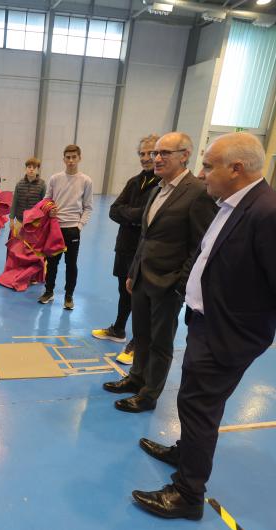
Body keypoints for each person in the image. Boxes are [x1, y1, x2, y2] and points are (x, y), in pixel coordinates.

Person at [132, 132, 276, 520]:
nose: (201, 174)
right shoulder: (231, 205)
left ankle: (188, 494)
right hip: (205, 322)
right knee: (192, 399)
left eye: (208, 166)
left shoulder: (272, 213)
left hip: (228, 333)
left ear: (236, 168)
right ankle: (184, 453)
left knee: (200, 407)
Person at [102, 132, 217, 413]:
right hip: (143, 277)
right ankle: (136, 378)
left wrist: (180, 283)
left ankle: (149, 394)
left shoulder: (197, 193)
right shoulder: (158, 189)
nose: (156, 158)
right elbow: (146, 237)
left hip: (168, 283)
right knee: (141, 335)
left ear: (184, 155)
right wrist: (133, 272)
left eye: (164, 153)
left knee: (160, 342)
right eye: (155, 153)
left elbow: (201, 245)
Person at [92, 136, 160, 365]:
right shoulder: (134, 182)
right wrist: (137, 216)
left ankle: (139, 342)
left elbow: (151, 216)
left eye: (151, 153)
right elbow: (114, 210)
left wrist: (130, 214)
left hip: (145, 251)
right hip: (125, 246)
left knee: (142, 297)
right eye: (142, 153)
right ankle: (119, 329)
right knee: (124, 290)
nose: (145, 158)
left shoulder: (162, 185)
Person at [37, 144, 93, 310]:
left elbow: (88, 207)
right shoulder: (55, 178)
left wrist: (79, 226)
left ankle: (69, 296)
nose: (71, 160)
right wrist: (49, 210)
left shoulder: (86, 180)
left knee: (71, 264)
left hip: (73, 230)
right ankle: (49, 291)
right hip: (55, 228)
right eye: (68, 157)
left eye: (74, 157)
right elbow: (46, 200)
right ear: (63, 159)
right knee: (52, 263)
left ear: (79, 158)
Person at [9, 157, 45, 229]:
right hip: (20, 220)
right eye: (29, 167)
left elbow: (44, 204)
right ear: (25, 169)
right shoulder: (19, 184)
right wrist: (11, 220)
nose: (31, 169)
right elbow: (14, 202)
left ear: (37, 170)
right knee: (18, 236)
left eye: (34, 168)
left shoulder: (42, 185)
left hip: (35, 222)